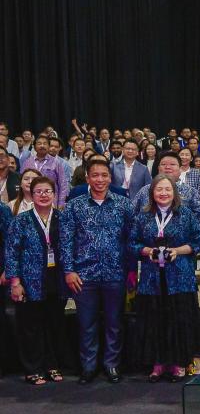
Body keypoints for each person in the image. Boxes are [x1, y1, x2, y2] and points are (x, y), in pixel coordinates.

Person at [60, 160, 132, 384]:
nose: (100, 179)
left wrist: (131, 270)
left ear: (110, 178)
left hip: (115, 273)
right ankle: (88, 367)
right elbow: (65, 241)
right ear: (87, 178)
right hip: (83, 275)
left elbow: (131, 239)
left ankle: (112, 365)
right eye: (95, 175)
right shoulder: (74, 206)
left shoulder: (124, 204)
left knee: (114, 323)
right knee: (86, 324)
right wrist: (69, 270)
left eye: (104, 175)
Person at [130, 177, 200, 382]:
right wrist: (148, 251)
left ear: (174, 192)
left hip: (179, 276)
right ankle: (158, 364)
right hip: (151, 278)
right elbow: (132, 243)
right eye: (159, 189)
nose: (163, 193)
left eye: (167, 189)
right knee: (155, 321)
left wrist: (177, 251)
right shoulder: (143, 216)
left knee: (179, 320)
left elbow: (198, 240)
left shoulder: (186, 214)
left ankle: (179, 363)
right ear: (152, 193)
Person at [4, 176, 65, 384]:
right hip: (29, 281)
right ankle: (32, 368)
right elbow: (11, 253)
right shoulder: (21, 220)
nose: (43, 195)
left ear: (54, 194)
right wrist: (15, 282)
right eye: (38, 191)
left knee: (54, 324)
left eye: (47, 191)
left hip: (56, 280)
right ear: (31, 193)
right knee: (31, 327)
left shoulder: (62, 218)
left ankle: (52, 365)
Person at [22, 135, 68, 207]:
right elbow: (22, 182)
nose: (42, 146)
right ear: (34, 147)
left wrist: (61, 203)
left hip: (51, 201)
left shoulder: (56, 163)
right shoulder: (27, 162)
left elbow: (63, 184)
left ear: (48, 146)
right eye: (39, 143)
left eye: (45, 143)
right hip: (31, 200)